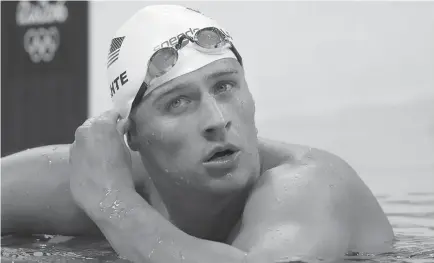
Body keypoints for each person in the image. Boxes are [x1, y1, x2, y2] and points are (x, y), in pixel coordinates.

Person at [1, 5, 394, 263]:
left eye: (225, 86)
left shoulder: (311, 184)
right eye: (177, 102)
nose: (216, 118)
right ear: (132, 135)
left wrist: (111, 205)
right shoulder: (101, 179)